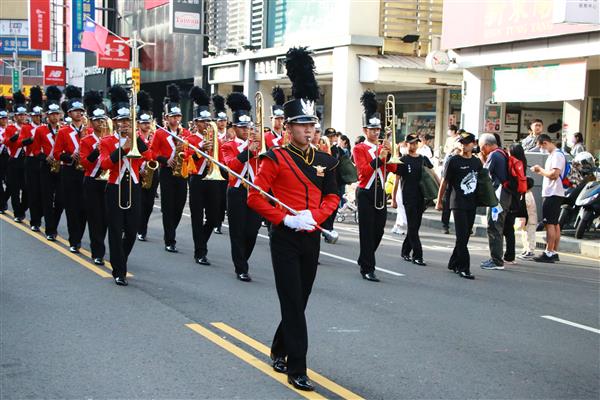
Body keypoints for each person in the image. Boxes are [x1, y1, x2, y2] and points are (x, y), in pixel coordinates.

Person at [247, 47, 339, 392]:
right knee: (292, 301)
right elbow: (254, 197)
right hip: (285, 236)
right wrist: (285, 220)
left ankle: (279, 347)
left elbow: (332, 196)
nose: (309, 131)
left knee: (300, 299)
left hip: (311, 232)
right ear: (288, 128)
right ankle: (297, 367)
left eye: (312, 125)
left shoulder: (326, 159)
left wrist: (312, 216)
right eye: (302, 126)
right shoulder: (274, 158)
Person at [100, 85, 151, 286]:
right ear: (115, 122)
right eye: (121, 121)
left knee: (131, 230)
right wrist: (122, 148)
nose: (124, 124)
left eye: (128, 121)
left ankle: (120, 258)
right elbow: (104, 164)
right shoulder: (107, 141)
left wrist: (136, 139)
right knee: (115, 229)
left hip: (134, 187)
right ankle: (119, 270)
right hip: (114, 187)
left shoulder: (139, 139)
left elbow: (149, 155)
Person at [352, 90, 397, 282]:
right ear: (365, 131)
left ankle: (364, 258)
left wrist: (391, 151)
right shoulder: (359, 148)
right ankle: (368, 267)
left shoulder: (383, 147)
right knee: (367, 231)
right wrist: (379, 158)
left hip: (380, 193)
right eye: (372, 130)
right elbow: (363, 171)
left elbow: (394, 168)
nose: (376, 133)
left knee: (378, 231)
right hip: (366, 191)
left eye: (378, 130)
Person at [221, 92, 262, 282]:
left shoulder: (259, 145)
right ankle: (241, 267)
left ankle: (243, 260)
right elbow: (231, 168)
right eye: (241, 127)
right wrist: (248, 151)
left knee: (252, 231)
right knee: (237, 231)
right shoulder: (227, 146)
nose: (246, 130)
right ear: (234, 128)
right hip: (236, 190)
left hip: (254, 190)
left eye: (248, 126)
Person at [150, 84, 190, 253]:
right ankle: (170, 239)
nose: (176, 119)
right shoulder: (160, 133)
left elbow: (190, 152)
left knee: (180, 205)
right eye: (172, 116)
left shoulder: (186, 133)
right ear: (166, 118)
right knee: (167, 205)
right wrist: (165, 160)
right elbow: (151, 152)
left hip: (182, 172)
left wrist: (184, 156)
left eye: (178, 116)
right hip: (166, 171)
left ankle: (171, 229)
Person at [435, 132, 482, 279]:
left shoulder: (476, 162)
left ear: (473, 144)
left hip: (472, 202)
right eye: (462, 142)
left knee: (466, 235)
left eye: (467, 142)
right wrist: (439, 200)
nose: (464, 145)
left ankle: (453, 262)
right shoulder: (453, 160)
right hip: (457, 202)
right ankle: (464, 267)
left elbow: (482, 181)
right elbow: (445, 181)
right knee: (461, 235)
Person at [187, 86, 224, 266]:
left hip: (213, 179)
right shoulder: (191, 139)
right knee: (196, 216)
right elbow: (186, 163)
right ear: (195, 122)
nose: (206, 124)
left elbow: (223, 160)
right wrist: (200, 149)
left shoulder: (216, 138)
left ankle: (201, 242)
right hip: (197, 179)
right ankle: (200, 251)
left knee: (214, 217)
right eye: (202, 121)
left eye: (208, 120)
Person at [53, 85, 88, 253]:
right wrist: (70, 156)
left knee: (83, 208)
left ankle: (79, 236)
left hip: (85, 172)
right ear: (69, 114)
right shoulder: (64, 131)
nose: (79, 113)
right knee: (72, 207)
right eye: (75, 111)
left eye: (81, 111)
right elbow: (57, 153)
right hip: (69, 171)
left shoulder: (88, 131)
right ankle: (74, 240)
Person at [394, 133, 434, 265]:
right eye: (411, 143)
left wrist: (440, 191)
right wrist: (394, 199)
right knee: (412, 225)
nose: (414, 145)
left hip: (421, 196)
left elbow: (433, 174)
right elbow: (397, 181)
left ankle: (405, 250)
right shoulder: (403, 160)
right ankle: (418, 255)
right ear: (406, 144)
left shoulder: (423, 159)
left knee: (415, 226)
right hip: (408, 196)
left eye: (416, 143)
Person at [79, 90, 109, 266]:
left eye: (103, 119)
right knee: (95, 218)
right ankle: (97, 252)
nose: (101, 123)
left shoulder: (111, 139)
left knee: (106, 218)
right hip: (91, 181)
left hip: (107, 182)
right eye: (97, 120)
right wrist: (96, 150)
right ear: (91, 121)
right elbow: (84, 163)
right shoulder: (87, 141)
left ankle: (101, 246)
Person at [33, 86, 64, 241]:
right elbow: (35, 149)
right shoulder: (40, 130)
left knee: (60, 201)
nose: (55, 117)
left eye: (57, 114)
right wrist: (45, 157)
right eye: (52, 114)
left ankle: (53, 224)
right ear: (47, 115)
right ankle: (50, 230)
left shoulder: (63, 129)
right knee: (47, 198)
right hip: (46, 166)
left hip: (61, 167)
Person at [478, 133, 512, 271]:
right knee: (498, 226)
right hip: (505, 194)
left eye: (481, 147)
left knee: (494, 226)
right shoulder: (503, 153)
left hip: (498, 196)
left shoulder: (494, 155)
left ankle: (497, 260)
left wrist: (481, 159)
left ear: (486, 145)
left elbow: (484, 173)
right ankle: (496, 258)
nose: (481, 150)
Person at [530, 134, 565, 263]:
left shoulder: (556, 155)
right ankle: (553, 251)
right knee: (554, 223)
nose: (541, 149)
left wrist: (540, 170)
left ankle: (549, 252)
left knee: (549, 223)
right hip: (555, 192)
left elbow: (554, 174)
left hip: (553, 192)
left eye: (541, 146)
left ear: (545, 143)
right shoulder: (556, 154)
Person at [3, 91, 31, 223]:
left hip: (26, 160)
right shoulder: (10, 128)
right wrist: (16, 136)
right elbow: (7, 142)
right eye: (20, 115)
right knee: (14, 188)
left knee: (26, 188)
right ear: (15, 116)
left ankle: (22, 209)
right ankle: (17, 212)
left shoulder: (29, 128)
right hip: (14, 160)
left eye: (24, 114)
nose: (22, 117)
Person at [136, 91, 159, 242]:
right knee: (138, 202)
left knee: (149, 204)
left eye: (148, 122)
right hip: (137, 171)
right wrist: (140, 167)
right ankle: (138, 227)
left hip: (152, 171)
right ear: (138, 123)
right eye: (144, 122)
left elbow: (157, 153)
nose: (147, 125)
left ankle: (143, 227)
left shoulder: (155, 135)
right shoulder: (135, 137)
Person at [20, 86, 44, 231]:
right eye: (35, 115)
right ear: (31, 116)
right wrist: (33, 137)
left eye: (39, 115)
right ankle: (34, 220)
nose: (38, 118)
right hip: (31, 160)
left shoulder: (47, 127)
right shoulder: (26, 128)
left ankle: (40, 217)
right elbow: (22, 142)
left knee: (43, 192)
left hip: (43, 160)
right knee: (32, 191)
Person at [502, 143, 528, 265]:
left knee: (506, 228)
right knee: (509, 229)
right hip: (518, 198)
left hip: (510, 198)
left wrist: (505, 184)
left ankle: (508, 256)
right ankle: (510, 256)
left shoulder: (513, 163)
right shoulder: (523, 163)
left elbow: (511, 182)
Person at [212, 94, 229, 235]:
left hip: (228, 169)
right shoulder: (213, 135)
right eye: (220, 120)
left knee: (224, 198)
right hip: (216, 167)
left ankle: (220, 221)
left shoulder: (231, 135)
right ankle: (216, 222)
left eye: (224, 120)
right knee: (216, 198)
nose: (222, 123)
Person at [517, 177, 537, 260]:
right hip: (527, 220)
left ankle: (530, 251)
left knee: (530, 236)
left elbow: (526, 206)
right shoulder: (526, 194)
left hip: (530, 220)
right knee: (524, 236)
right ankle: (525, 250)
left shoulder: (527, 195)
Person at [0, 97, 11, 214]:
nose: (4, 120)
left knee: (11, 183)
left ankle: (3, 200)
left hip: (9, 156)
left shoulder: (10, 128)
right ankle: (2, 203)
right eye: (2, 118)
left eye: (5, 118)